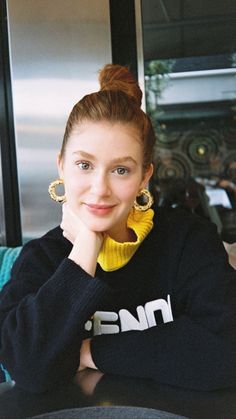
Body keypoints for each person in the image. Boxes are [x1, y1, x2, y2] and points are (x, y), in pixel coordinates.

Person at [0, 64, 236, 394]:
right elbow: (27, 366)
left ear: (144, 177)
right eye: (84, 165)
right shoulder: (41, 257)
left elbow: (224, 351)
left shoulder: (188, 239)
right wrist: (85, 247)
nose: (100, 189)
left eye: (121, 170)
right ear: (62, 167)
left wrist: (87, 351)